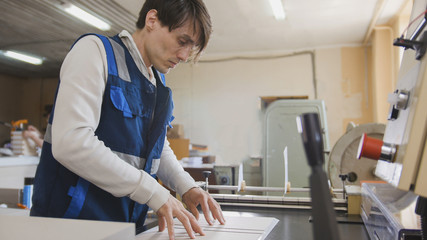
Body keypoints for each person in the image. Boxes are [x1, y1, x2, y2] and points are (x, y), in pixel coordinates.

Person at [30, 0, 225, 239]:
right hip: (72, 225)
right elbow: (71, 142)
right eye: (182, 41)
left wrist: (186, 186)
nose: (184, 55)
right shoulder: (95, 51)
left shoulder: (157, 82)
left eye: (191, 47)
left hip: (125, 226)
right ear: (152, 20)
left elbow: (157, 148)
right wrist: (153, 192)